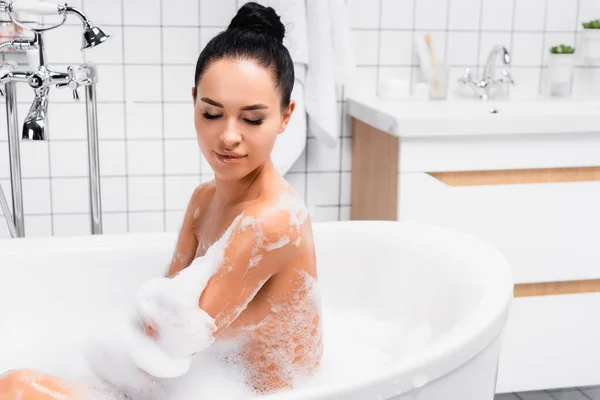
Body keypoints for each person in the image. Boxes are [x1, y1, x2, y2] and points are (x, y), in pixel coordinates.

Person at [0, 2, 323, 398]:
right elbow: (163, 332)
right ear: (194, 102)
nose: (229, 136)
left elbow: (171, 342)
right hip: (209, 379)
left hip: (266, 393)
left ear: (286, 116)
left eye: (253, 119)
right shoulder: (204, 200)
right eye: (212, 113)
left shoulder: (273, 222)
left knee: (16, 388)